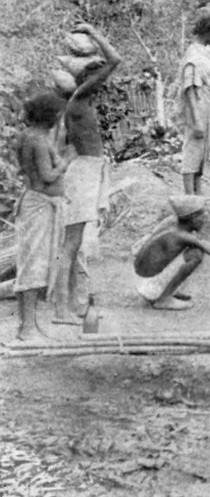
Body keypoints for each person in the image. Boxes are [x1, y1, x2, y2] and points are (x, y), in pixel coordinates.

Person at [54, 23, 122, 325]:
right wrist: (93, 31)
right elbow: (115, 61)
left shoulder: (79, 101)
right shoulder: (80, 97)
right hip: (84, 173)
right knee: (71, 244)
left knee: (77, 243)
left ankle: (74, 303)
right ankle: (61, 308)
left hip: (86, 170)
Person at [13, 93, 75, 340]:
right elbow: (48, 176)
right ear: (49, 116)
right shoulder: (37, 141)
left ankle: (28, 325)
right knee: (32, 265)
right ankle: (27, 327)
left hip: (36, 203)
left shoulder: (27, 136)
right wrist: (66, 161)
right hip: (39, 206)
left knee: (32, 263)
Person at [175, 15, 210, 196]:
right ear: (206, 32)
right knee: (193, 148)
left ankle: (198, 192)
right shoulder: (193, 55)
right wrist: (197, 120)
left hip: (208, 105)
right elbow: (190, 88)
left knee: (203, 150)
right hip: (198, 104)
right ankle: (189, 195)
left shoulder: (206, 53)